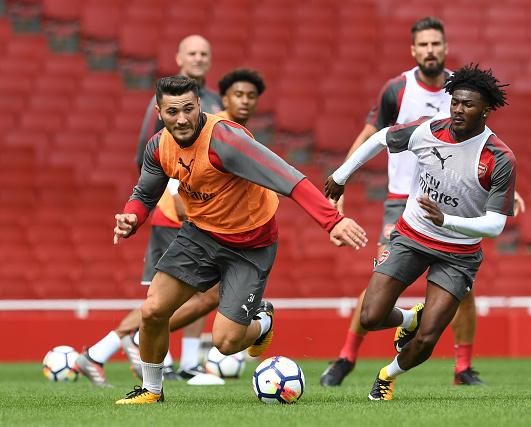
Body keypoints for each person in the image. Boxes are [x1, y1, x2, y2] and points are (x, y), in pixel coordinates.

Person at [113, 76, 367, 404]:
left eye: (189, 109)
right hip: (200, 235)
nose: (182, 118)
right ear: (160, 114)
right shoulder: (159, 146)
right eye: (173, 111)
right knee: (152, 311)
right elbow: (144, 194)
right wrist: (132, 217)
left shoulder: (225, 141)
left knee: (227, 342)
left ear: (199, 106)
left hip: (250, 245)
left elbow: (288, 177)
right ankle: (152, 391)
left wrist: (331, 221)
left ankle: (262, 323)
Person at [320, 17, 525, 388]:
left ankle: (461, 368)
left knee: (459, 295)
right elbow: (375, 134)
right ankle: (346, 357)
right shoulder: (398, 90)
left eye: (436, 44)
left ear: (445, 47)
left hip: (455, 213)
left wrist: (500, 193)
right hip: (404, 201)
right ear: (413, 50)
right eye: (423, 44)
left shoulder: (467, 96)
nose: (430, 50)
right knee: (377, 292)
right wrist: (343, 177)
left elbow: (484, 170)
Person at [75, 35, 224, 387]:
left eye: (205, 52)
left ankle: (187, 363)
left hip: (204, 207)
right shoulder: (162, 104)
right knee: (171, 294)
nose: (199, 58)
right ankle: (101, 351)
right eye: (192, 53)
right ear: (178, 57)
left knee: (202, 287)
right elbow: (149, 156)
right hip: (175, 208)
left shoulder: (212, 100)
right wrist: (170, 196)